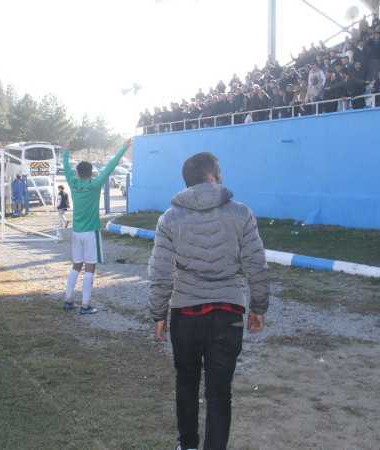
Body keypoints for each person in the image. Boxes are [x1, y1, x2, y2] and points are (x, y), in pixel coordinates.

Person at [148, 152, 270, 450]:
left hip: (186, 315)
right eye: (220, 172)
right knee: (219, 392)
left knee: (186, 383)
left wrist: (158, 313)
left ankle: (187, 445)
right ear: (212, 178)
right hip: (229, 314)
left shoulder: (170, 218)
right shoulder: (241, 213)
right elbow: (256, 265)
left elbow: (161, 271)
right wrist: (258, 307)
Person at [61, 137, 133, 314]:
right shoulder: (94, 184)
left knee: (76, 265)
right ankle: (85, 305)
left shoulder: (72, 182)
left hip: (76, 231)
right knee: (90, 267)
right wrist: (124, 147)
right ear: (91, 172)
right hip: (90, 231)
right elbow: (110, 167)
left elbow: (66, 167)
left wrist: (65, 150)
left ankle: (68, 300)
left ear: (78, 173)